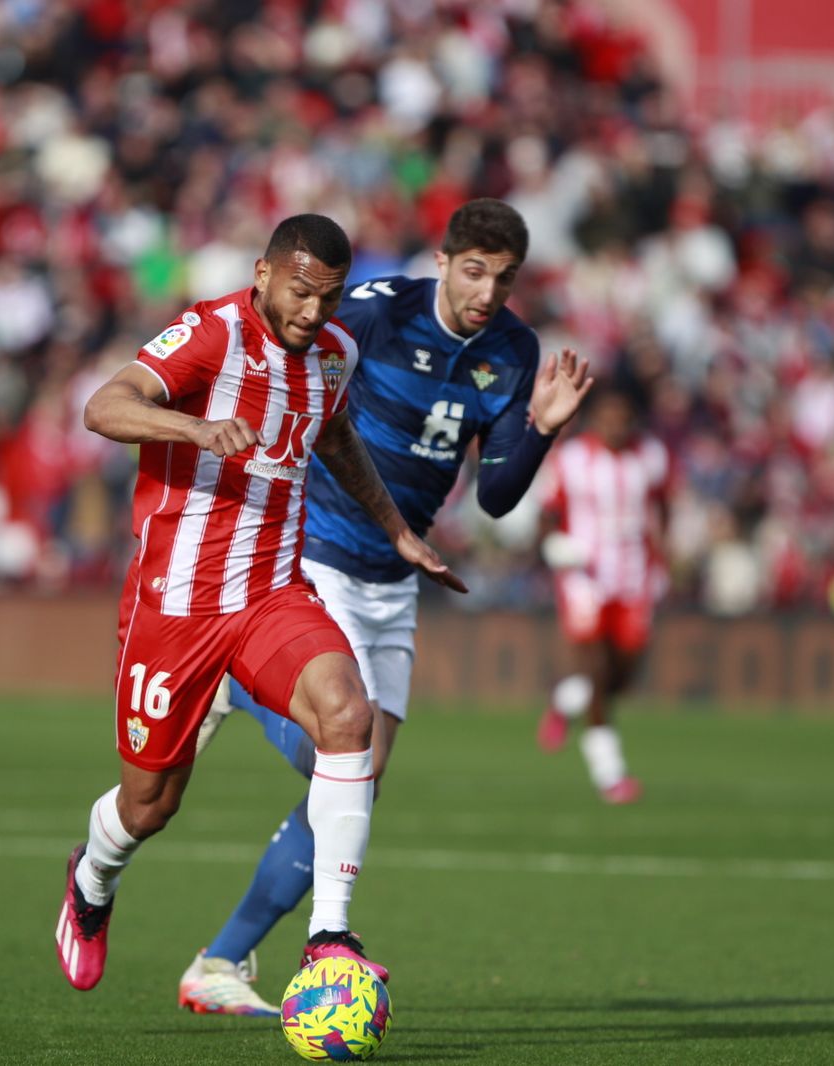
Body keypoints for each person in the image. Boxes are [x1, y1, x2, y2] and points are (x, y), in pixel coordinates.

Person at [178, 199, 593, 1015]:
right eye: (474, 271)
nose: (487, 291)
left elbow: (500, 495)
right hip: (316, 552)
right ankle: (234, 680)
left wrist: (540, 429)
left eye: (503, 279)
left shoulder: (513, 349)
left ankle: (219, 963)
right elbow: (304, 388)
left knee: (355, 784)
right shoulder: (374, 312)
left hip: (396, 582)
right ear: (442, 261)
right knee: (335, 751)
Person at [54, 213, 466, 993]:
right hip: (176, 605)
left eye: (330, 296)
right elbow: (104, 406)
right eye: (302, 292)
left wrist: (397, 529)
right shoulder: (211, 333)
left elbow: (336, 437)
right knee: (148, 808)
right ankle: (92, 882)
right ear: (264, 273)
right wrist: (194, 427)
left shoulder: (336, 354)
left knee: (350, 717)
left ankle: (329, 937)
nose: (314, 312)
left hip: (273, 592)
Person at [535, 386, 668, 803]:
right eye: (608, 416)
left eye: (623, 417)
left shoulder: (650, 457)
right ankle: (610, 774)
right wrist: (554, 544)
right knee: (595, 670)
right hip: (584, 579)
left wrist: (663, 556)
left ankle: (564, 699)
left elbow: (664, 507)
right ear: (594, 419)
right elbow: (546, 513)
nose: (616, 424)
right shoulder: (571, 460)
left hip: (633, 577)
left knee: (621, 677)